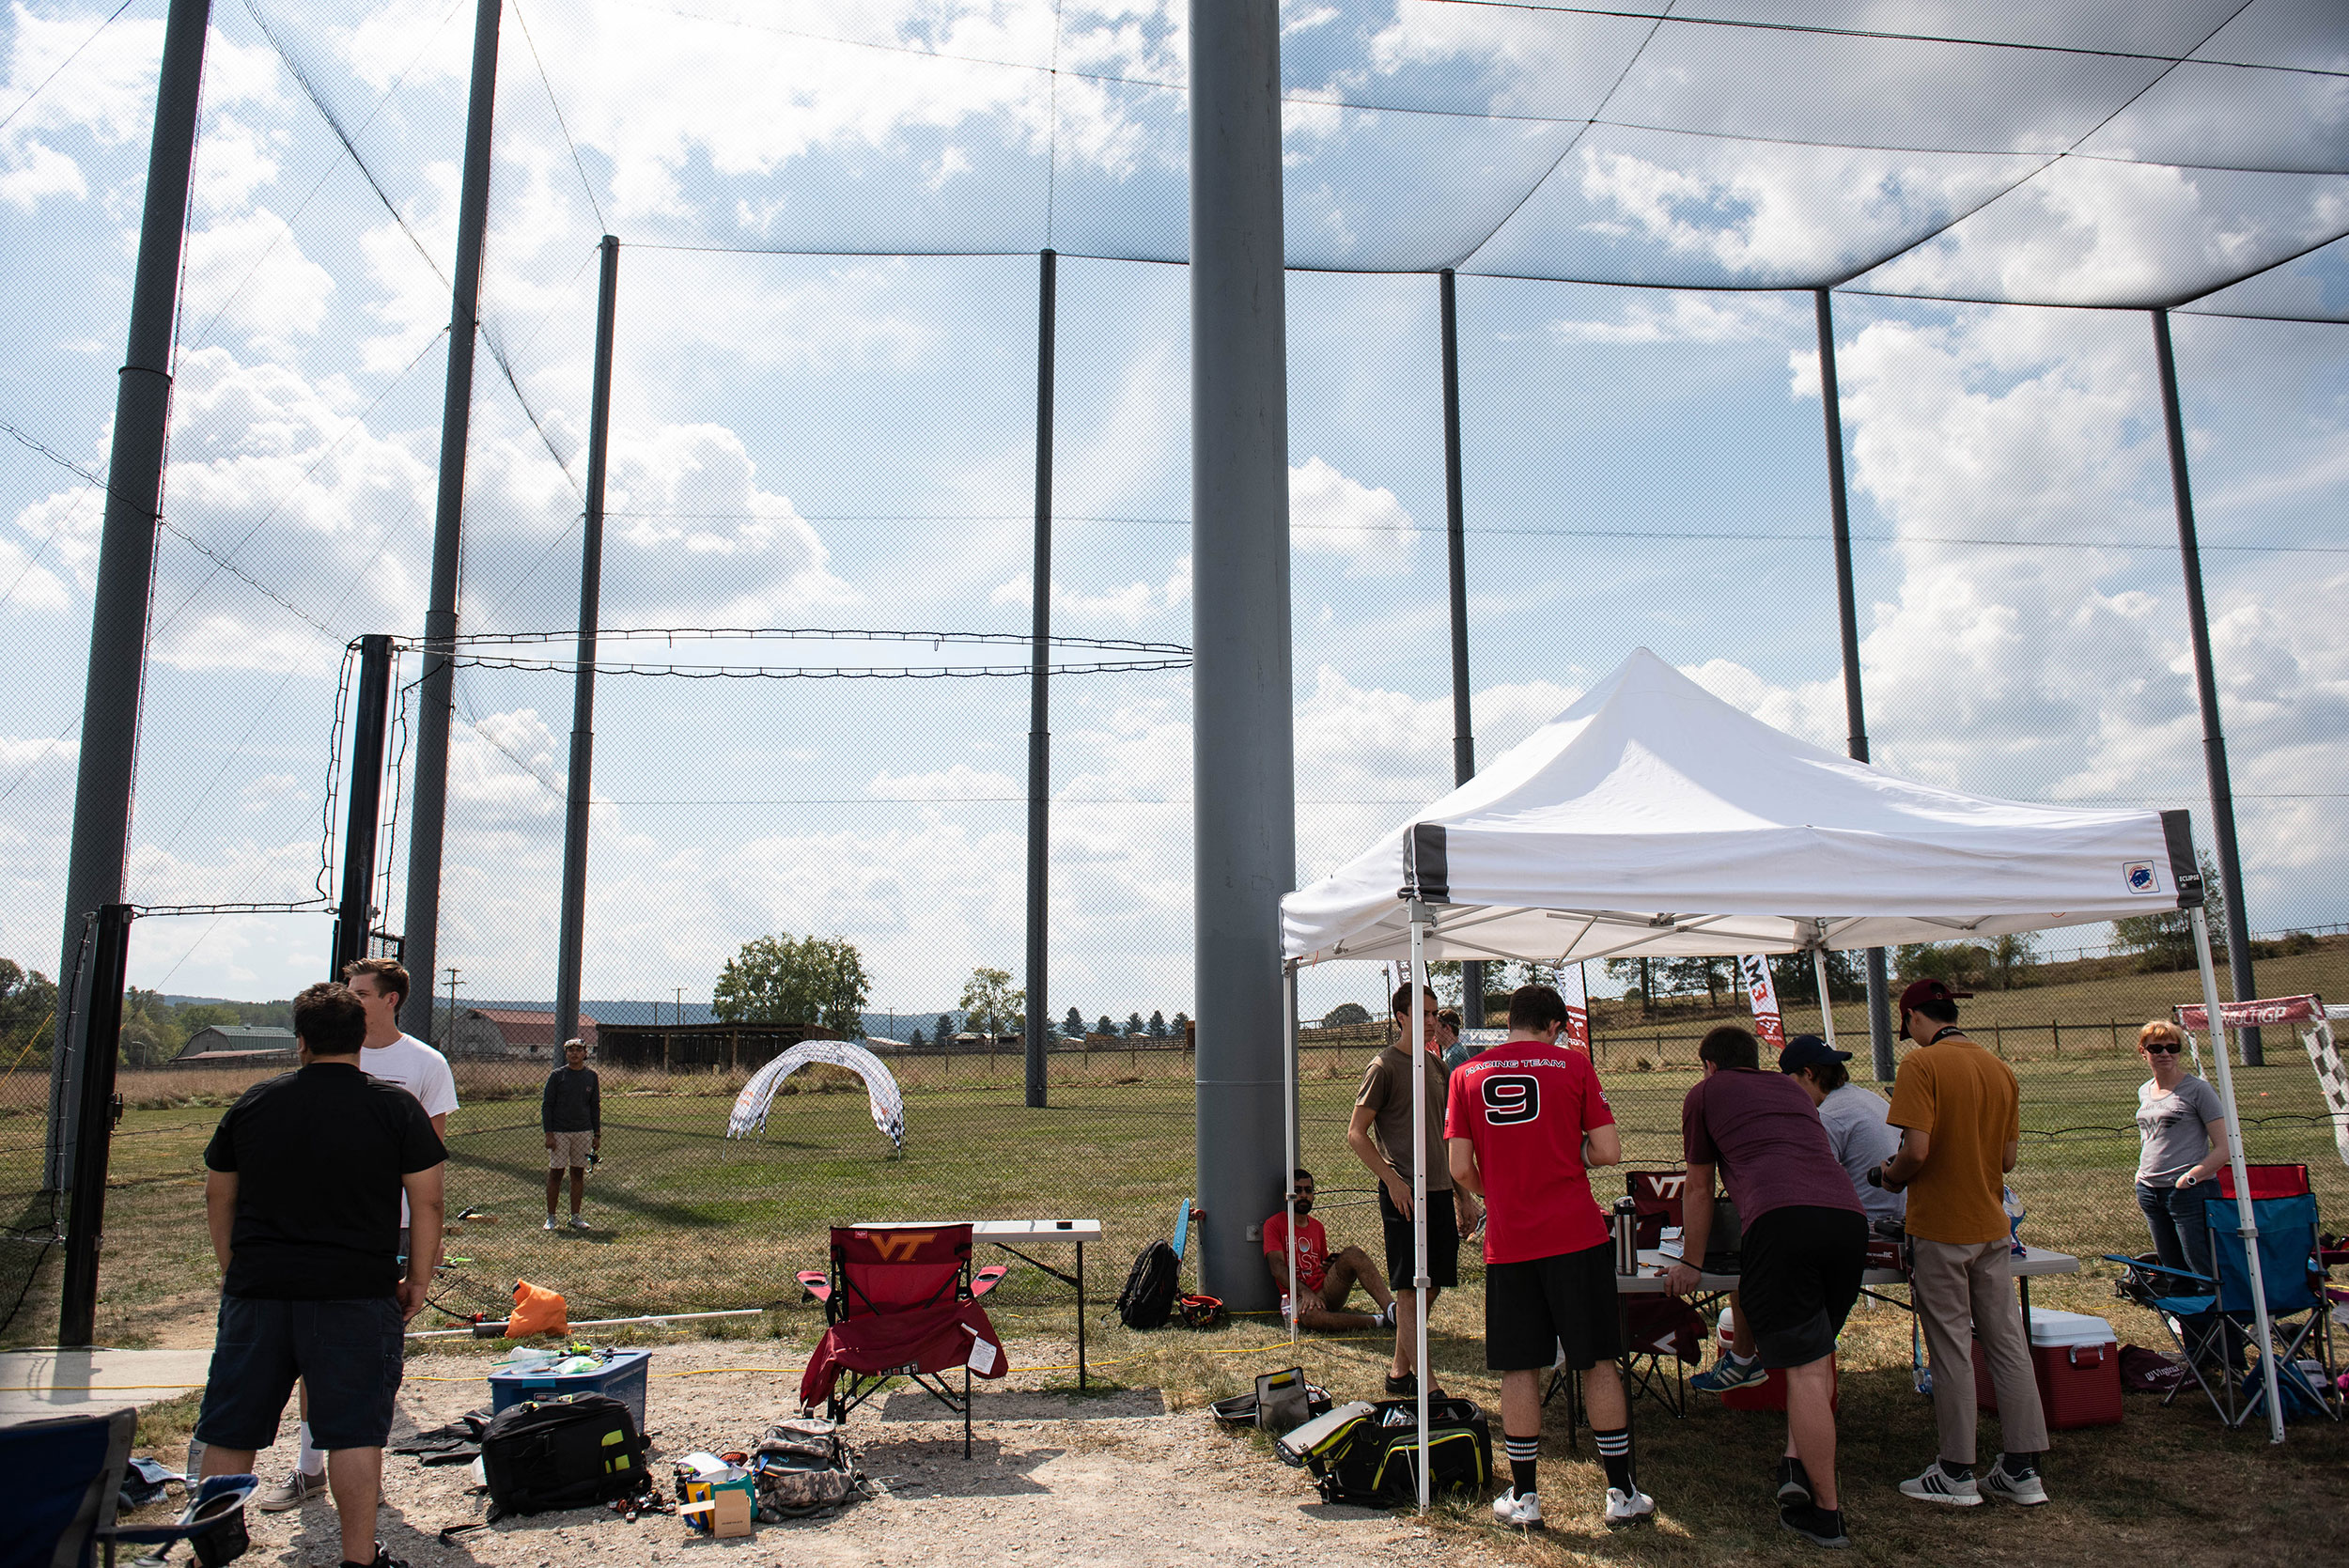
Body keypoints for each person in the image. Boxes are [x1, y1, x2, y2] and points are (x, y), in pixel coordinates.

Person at [193, 983, 445, 1568]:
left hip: (259, 1289)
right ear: (361, 1038)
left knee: (231, 1430)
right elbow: (427, 1202)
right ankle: (358, 1558)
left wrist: (236, 1269)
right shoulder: (394, 1107)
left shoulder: (254, 1104)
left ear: (300, 1042)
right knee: (354, 1432)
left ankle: (212, 1553)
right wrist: (419, 1280)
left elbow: (217, 1195)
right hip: (355, 1291)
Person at [254, 956, 459, 1513]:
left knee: (370, 1351)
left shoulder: (426, 1064)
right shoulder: (331, 1054)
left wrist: (424, 1237)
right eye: (349, 991)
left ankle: (359, 1470)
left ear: (390, 999)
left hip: (389, 1227)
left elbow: (430, 1164)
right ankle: (309, 1467)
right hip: (325, 1224)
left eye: (362, 992)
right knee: (310, 1342)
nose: (352, 999)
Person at [1447, 984, 1652, 1531]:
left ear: (1509, 1022)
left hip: (1510, 1242)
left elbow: (1460, 1167)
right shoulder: (1573, 1064)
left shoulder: (1465, 1074)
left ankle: (1525, 1497)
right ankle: (1621, 1491)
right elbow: (1607, 1151)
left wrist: (1505, 1186)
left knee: (1520, 1364)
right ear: (1556, 1025)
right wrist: (1566, 1154)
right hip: (1576, 1236)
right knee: (1598, 1359)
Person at [1666, 1027, 1868, 1549]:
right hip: (1849, 1221)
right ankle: (1795, 1470)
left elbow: (1699, 1185)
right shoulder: (1793, 1089)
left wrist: (1691, 1261)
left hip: (1783, 1224)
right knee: (1817, 1353)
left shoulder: (1705, 1094)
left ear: (1709, 1065)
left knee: (1802, 1370)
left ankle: (1827, 1513)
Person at [1878, 979, 2050, 1508]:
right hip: (1992, 1227)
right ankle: (2023, 1469)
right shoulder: (1999, 1067)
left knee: (1951, 1348)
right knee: (2006, 1342)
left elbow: (1917, 1151)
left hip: (1941, 1229)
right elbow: (2007, 1160)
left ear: (1911, 1018)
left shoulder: (1920, 1065)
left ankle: (1956, 1471)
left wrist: (1889, 1176)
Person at [1348, 982, 1482, 1397]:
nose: (1432, 1022)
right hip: (1404, 1196)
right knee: (1410, 1289)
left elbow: (1449, 1136)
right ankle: (1428, 1388)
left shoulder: (1438, 1067)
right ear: (1401, 1016)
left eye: (1435, 1014)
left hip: (1442, 1190)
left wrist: (1464, 1195)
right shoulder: (1383, 1067)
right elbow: (1356, 1134)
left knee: (1435, 1281)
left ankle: (1399, 1373)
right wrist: (1392, 1181)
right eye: (1424, 1014)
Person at [2131, 1018, 2228, 1282]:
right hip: (2150, 1191)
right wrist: (2141, 1175)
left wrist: (2191, 1178)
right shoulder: (2144, 1091)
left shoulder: (2198, 1090)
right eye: (2156, 1048)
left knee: (2203, 1271)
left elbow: (2225, 1147)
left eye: (2172, 1048)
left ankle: (2217, 1323)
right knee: (2173, 1272)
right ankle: (2186, 1324)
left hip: (2189, 1192)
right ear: (2143, 1051)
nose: (2165, 1054)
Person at [1261, 1168, 1398, 1330]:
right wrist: (1306, 1292)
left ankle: (1392, 1310)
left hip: (1325, 1289)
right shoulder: (1274, 1224)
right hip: (1299, 1298)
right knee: (1312, 1317)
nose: (1304, 1195)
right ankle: (1379, 1321)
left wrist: (1328, 1266)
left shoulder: (1317, 1227)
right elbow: (1277, 1268)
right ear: (1286, 1195)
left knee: (1352, 1254)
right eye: (1297, 1191)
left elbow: (1319, 1266)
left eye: (1308, 1190)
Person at [543, 1037, 601, 1230]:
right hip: (560, 1132)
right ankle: (551, 1217)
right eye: (570, 1050)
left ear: (585, 1053)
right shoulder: (557, 1076)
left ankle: (575, 1216)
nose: (574, 1053)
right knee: (556, 1173)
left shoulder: (591, 1077)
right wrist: (549, 1133)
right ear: (565, 1053)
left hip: (583, 1131)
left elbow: (594, 1106)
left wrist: (596, 1134)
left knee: (578, 1174)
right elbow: (547, 1106)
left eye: (578, 1050)